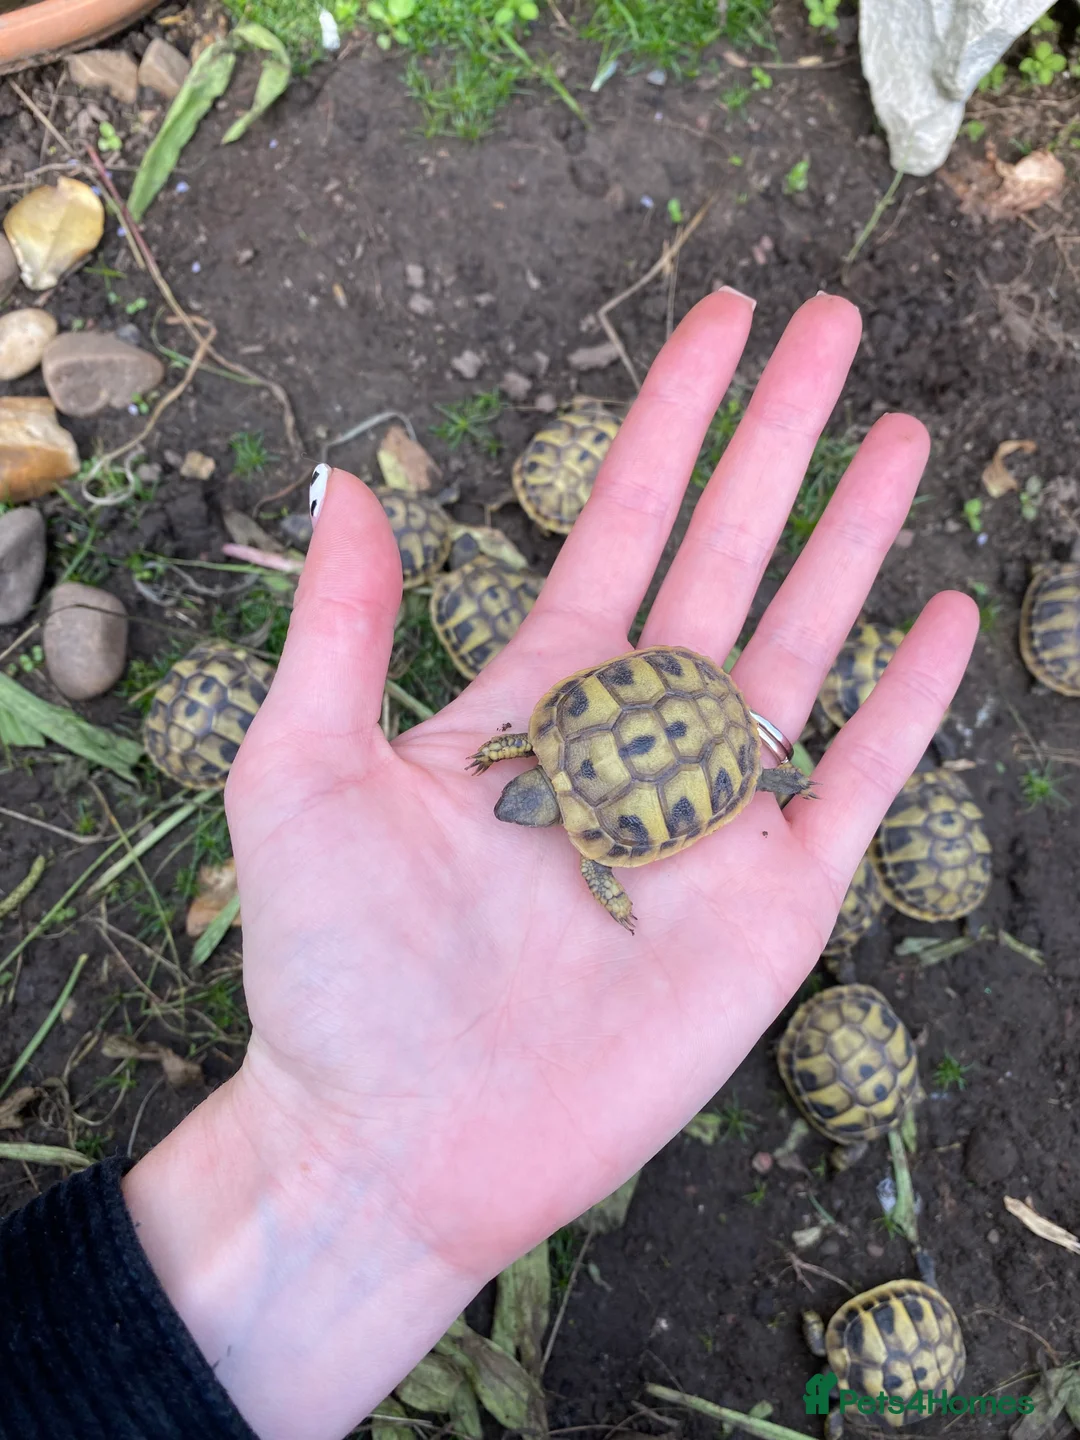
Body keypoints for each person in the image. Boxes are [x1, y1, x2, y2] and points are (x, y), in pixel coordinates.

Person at [0, 291, 977, 1440]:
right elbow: (583, 830)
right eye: (521, 794)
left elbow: (587, 838)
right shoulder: (570, 788)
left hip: (684, 733)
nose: (517, 806)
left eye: (520, 795)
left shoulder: (562, 784)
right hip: (684, 737)